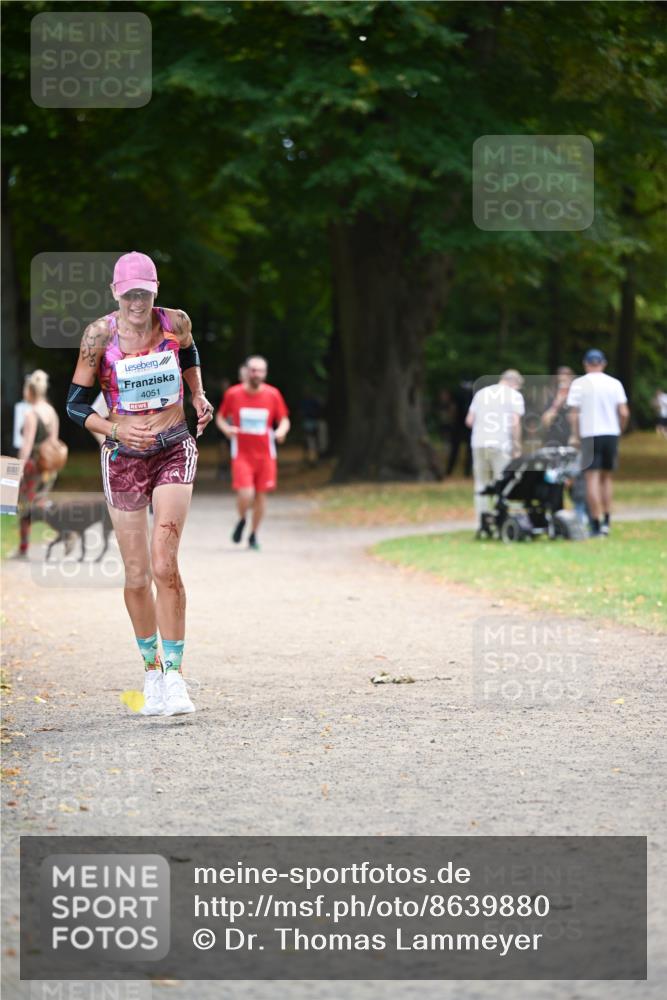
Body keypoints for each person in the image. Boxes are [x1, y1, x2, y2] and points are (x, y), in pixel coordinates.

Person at [65, 251, 214, 716]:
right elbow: (74, 403)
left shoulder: (176, 323)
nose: (136, 302)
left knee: (164, 563)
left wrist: (198, 394)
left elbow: (189, 355)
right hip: (123, 458)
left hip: (173, 445)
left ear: (155, 291)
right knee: (136, 574)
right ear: (115, 292)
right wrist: (113, 429)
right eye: (128, 293)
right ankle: (151, 672)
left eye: (144, 293)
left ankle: (176, 677)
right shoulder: (99, 336)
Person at [216, 355, 290, 550]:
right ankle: (242, 519)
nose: (256, 373)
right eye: (253, 370)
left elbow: (283, 419)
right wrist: (227, 430)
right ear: (247, 371)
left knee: (260, 497)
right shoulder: (234, 394)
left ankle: (254, 534)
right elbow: (220, 418)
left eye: (260, 370)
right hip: (242, 453)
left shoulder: (273, 394)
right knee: (246, 494)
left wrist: (281, 431)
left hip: (266, 454)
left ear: (265, 374)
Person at [567, 349, 629, 538]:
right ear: (603, 363)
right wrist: (619, 430)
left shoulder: (578, 384)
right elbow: (624, 412)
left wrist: (576, 435)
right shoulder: (614, 383)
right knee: (606, 479)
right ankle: (607, 522)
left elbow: (574, 414)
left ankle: (595, 523)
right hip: (611, 433)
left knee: (591, 480)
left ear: (586, 364)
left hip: (590, 434)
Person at [466, 370, 525, 529]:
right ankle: (502, 520)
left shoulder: (482, 393)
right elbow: (515, 422)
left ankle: (482, 523)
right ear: (515, 383)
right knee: (504, 483)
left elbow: (470, 421)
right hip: (500, 444)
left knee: (481, 484)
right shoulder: (514, 395)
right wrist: (517, 447)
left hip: (478, 443)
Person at [15, 370, 60, 558]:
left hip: (32, 466)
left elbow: (26, 446)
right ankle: (64, 528)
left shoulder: (30, 414)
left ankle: (23, 547)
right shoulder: (51, 410)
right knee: (39, 502)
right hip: (49, 465)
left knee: (25, 505)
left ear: (30, 390)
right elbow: (54, 441)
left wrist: (17, 469)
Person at [541, 366, 575, 447]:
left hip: (572, 442)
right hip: (553, 441)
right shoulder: (552, 398)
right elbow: (546, 422)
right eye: (561, 381)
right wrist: (558, 403)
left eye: (566, 381)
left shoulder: (576, 399)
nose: (564, 385)